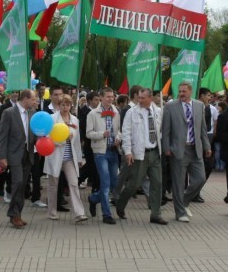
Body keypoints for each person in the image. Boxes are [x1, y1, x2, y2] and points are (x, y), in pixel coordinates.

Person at [114, 88, 168, 225]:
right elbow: (126, 133)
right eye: (139, 97)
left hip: (155, 153)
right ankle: (120, 204)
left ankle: (155, 214)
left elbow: (160, 131)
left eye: (143, 98)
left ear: (150, 98)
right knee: (134, 184)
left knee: (157, 183)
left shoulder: (158, 111)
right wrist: (128, 152)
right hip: (139, 154)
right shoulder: (132, 113)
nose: (140, 100)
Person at [161, 81, 211, 223]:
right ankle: (180, 212)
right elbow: (166, 130)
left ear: (190, 91)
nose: (181, 94)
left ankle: (183, 201)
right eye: (180, 91)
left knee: (200, 178)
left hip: (195, 149)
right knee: (178, 183)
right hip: (178, 150)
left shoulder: (199, 105)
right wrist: (167, 148)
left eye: (184, 91)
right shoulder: (170, 106)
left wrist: (207, 146)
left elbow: (202, 128)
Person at [44, 94, 89, 223]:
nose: (65, 107)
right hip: (55, 156)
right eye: (63, 104)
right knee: (53, 185)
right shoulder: (52, 119)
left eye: (68, 105)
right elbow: (48, 139)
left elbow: (77, 142)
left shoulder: (75, 120)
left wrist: (79, 158)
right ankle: (52, 212)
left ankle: (79, 213)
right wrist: (63, 139)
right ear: (59, 105)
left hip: (70, 157)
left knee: (74, 183)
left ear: (71, 106)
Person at [0, 89, 37, 229]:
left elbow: (34, 133)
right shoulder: (9, 113)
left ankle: (17, 214)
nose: (35, 102)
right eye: (33, 99)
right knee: (18, 182)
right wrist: (2, 157)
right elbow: (2, 137)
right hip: (14, 154)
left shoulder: (33, 114)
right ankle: (13, 214)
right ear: (25, 98)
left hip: (28, 153)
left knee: (23, 185)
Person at [86, 87, 121, 225]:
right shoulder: (93, 114)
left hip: (113, 150)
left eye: (112, 97)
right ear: (101, 97)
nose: (110, 99)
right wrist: (101, 134)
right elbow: (88, 133)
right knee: (105, 183)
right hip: (100, 152)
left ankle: (94, 198)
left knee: (114, 183)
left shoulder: (116, 112)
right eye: (108, 97)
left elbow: (119, 130)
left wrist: (119, 137)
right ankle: (107, 214)